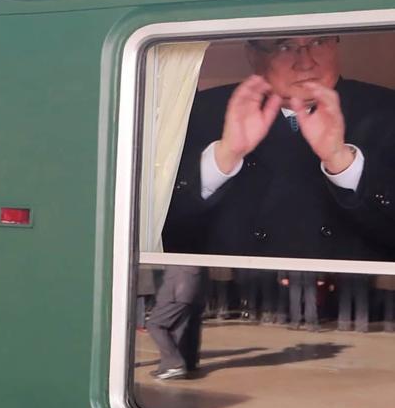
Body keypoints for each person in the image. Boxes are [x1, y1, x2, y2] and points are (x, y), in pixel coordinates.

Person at [163, 35, 395, 261]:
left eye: (318, 42)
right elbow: (159, 230)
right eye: (284, 46)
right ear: (253, 55)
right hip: (232, 294)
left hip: (358, 296)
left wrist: (342, 163)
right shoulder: (200, 111)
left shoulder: (386, 109)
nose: (306, 62)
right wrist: (224, 157)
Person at [145, 265, 204, 380]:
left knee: (155, 324)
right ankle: (186, 363)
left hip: (179, 286)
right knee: (182, 325)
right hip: (194, 285)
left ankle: (174, 365)